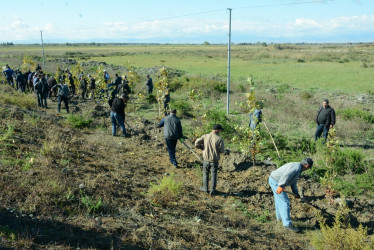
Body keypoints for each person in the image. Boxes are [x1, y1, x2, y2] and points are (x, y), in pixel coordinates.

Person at [268, 158, 313, 233]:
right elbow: (286, 176)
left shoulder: (298, 168)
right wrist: (280, 186)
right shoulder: (296, 168)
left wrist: (296, 193)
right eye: (309, 168)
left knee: (279, 201)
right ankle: (287, 224)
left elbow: (293, 181)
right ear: (307, 166)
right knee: (285, 202)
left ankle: (279, 219)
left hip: (274, 179)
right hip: (276, 181)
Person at [195, 124, 225, 196]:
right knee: (214, 175)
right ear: (217, 130)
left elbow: (196, 143)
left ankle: (205, 189)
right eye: (220, 130)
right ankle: (213, 191)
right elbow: (222, 151)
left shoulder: (205, 136)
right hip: (214, 161)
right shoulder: (219, 139)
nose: (220, 131)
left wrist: (202, 148)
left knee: (205, 174)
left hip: (206, 159)